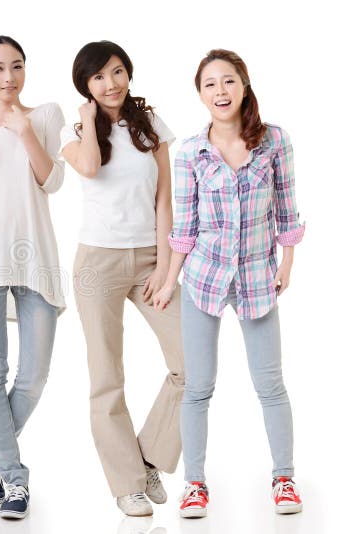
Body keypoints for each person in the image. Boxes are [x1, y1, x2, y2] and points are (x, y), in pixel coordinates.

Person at [154, 48, 305, 518]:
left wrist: (287, 263)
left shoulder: (274, 141)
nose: (220, 91)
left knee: (271, 385)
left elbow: (286, 206)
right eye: (210, 85)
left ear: (244, 84)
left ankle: (284, 479)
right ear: (200, 94)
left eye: (228, 81)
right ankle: (194, 485)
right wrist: (167, 282)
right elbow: (185, 229)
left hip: (259, 278)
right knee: (198, 387)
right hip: (204, 278)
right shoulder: (190, 153)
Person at [62, 40, 184, 517]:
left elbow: (164, 201)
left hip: (150, 258)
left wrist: (165, 268)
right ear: (86, 87)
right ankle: (126, 484)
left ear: (128, 73)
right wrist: (90, 120)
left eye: (116, 72)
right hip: (97, 264)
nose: (110, 83)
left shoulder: (152, 126)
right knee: (106, 377)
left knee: (191, 364)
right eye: (98, 77)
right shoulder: (73, 136)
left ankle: (147, 456)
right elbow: (90, 166)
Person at [0, 35, 64, 520]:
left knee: (35, 377)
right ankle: (15, 479)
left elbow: (52, 180)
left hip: (36, 259)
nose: (8, 76)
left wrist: (24, 132)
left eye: (17, 66)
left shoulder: (43, 117)